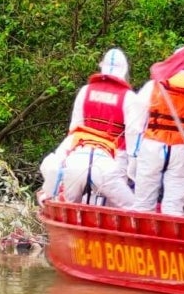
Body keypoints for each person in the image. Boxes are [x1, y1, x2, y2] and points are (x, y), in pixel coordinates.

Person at [38, 48, 138, 208]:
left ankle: (53, 202)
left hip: (79, 155)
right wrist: (133, 175)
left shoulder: (85, 91)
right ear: (124, 70)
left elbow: (75, 128)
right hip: (113, 161)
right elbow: (133, 139)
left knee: (65, 201)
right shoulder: (130, 98)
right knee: (127, 207)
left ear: (102, 67)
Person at [131, 65, 184, 216]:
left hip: (152, 146)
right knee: (174, 208)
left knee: (143, 204)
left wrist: (133, 156)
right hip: (183, 150)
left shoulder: (153, 87)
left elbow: (135, 125)